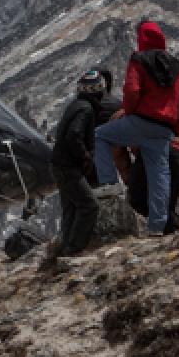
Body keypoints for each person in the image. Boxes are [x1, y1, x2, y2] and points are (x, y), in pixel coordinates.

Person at [96, 21, 179, 234]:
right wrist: (175, 124)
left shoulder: (138, 60)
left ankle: (109, 183)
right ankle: (157, 226)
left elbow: (132, 90)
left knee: (101, 136)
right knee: (159, 176)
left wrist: (130, 112)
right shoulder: (176, 65)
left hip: (141, 120)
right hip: (164, 128)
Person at [50, 69, 115, 255]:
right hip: (69, 167)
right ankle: (75, 248)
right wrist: (85, 157)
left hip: (59, 164)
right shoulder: (86, 110)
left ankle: (64, 248)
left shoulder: (76, 105)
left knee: (70, 208)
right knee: (89, 205)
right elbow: (74, 135)